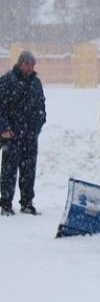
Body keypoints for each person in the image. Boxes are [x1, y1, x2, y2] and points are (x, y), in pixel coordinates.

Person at [0, 51, 46, 216]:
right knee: (8, 172)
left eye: (32, 65)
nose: (30, 68)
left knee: (29, 171)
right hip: (11, 136)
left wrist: (37, 126)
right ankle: (5, 204)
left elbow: (41, 107)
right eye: (28, 64)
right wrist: (4, 129)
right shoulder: (6, 81)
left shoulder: (36, 83)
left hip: (30, 136)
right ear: (20, 64)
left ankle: (27, 203)